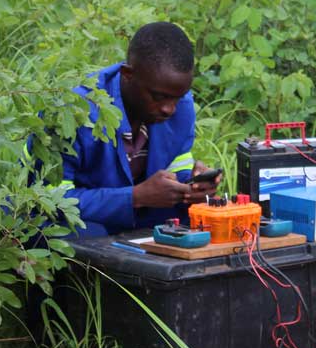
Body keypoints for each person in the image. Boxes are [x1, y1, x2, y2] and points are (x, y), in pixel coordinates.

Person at [28, 22, 220, 237]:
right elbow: (48, 199)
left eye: (178, 96)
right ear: (127, 75)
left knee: (201, 219)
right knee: (85, 235)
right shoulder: (73, 111)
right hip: (79, 221)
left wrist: (191, 187)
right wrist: (135, 196)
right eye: (159, 97)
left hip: (138, 215)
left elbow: (177, 168)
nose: (169, 109)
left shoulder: (180, 106)